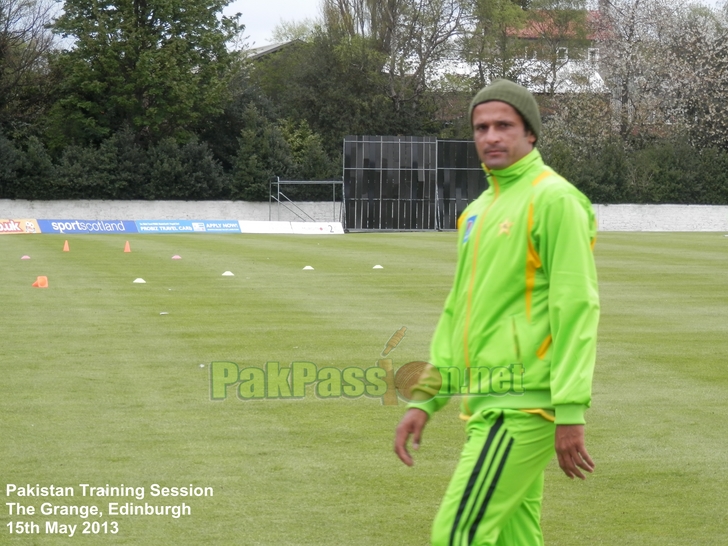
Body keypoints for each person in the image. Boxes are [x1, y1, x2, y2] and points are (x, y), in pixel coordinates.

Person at [394, 79, 600, 546]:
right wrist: (426, 398)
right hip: (484, 404)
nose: (490, 136)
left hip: (523, 405)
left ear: (530, 134)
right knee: (514, 537)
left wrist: (569, 410)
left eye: (503, 125)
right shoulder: (476, 212)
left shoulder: (555, 199)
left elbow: (577, 307)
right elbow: (457, 316)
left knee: (457, 534)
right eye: (481, 127)